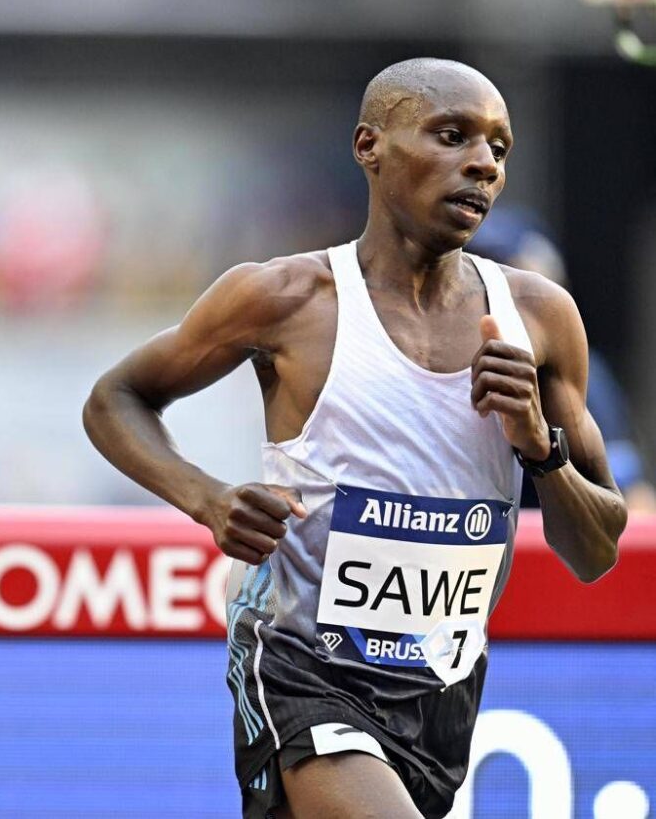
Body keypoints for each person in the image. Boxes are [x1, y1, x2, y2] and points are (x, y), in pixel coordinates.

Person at [83, 58, 626, 819]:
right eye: (452, 135)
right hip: (301, 667)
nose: (483, 163)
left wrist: (540, 449)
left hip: (441, 692)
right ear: (370, 146)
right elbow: (114, 400)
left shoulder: (539, 317)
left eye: (499, 148)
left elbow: (595, 551)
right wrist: (207, 500)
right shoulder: (285, 298)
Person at [467, 206, 656, 512]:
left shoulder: (580, 372)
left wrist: (540, 445)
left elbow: (631, 501)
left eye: (510, 273)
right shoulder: (428, 361)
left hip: (540, 535)